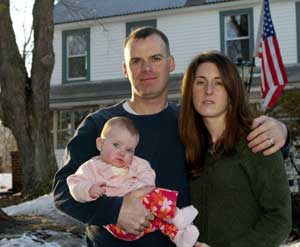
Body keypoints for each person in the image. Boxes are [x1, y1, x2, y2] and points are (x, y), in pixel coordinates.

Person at [53, 27, 290, 247]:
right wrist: (114, 211)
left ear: (171, 63)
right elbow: (63, 191)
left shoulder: (191, 122)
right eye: (136, 61)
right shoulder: (100, 126)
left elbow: (237, 150)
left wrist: (281, 133)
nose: (147, 68)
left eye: (155, 58)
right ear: (125, 69)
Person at [179, 51, 292, 247]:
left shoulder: (257, 140)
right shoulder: (191, 145)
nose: (208, 90)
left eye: (219, 82)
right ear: (190, 91)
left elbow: (279, 219)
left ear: (232, 92)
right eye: (200, 82)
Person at [67, 116, 199, 247]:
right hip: (118, 224)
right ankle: (177, 215)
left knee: (159, 218)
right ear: (100, 144)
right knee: (157, 199)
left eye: (129, 150)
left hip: (144, 220)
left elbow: (147, 172)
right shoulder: (92, 167)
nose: (122, 153)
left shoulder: (135, 163)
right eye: (116, 145)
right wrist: (89, 189)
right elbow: (74, 182)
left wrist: (143, 187)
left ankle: (179, 237)